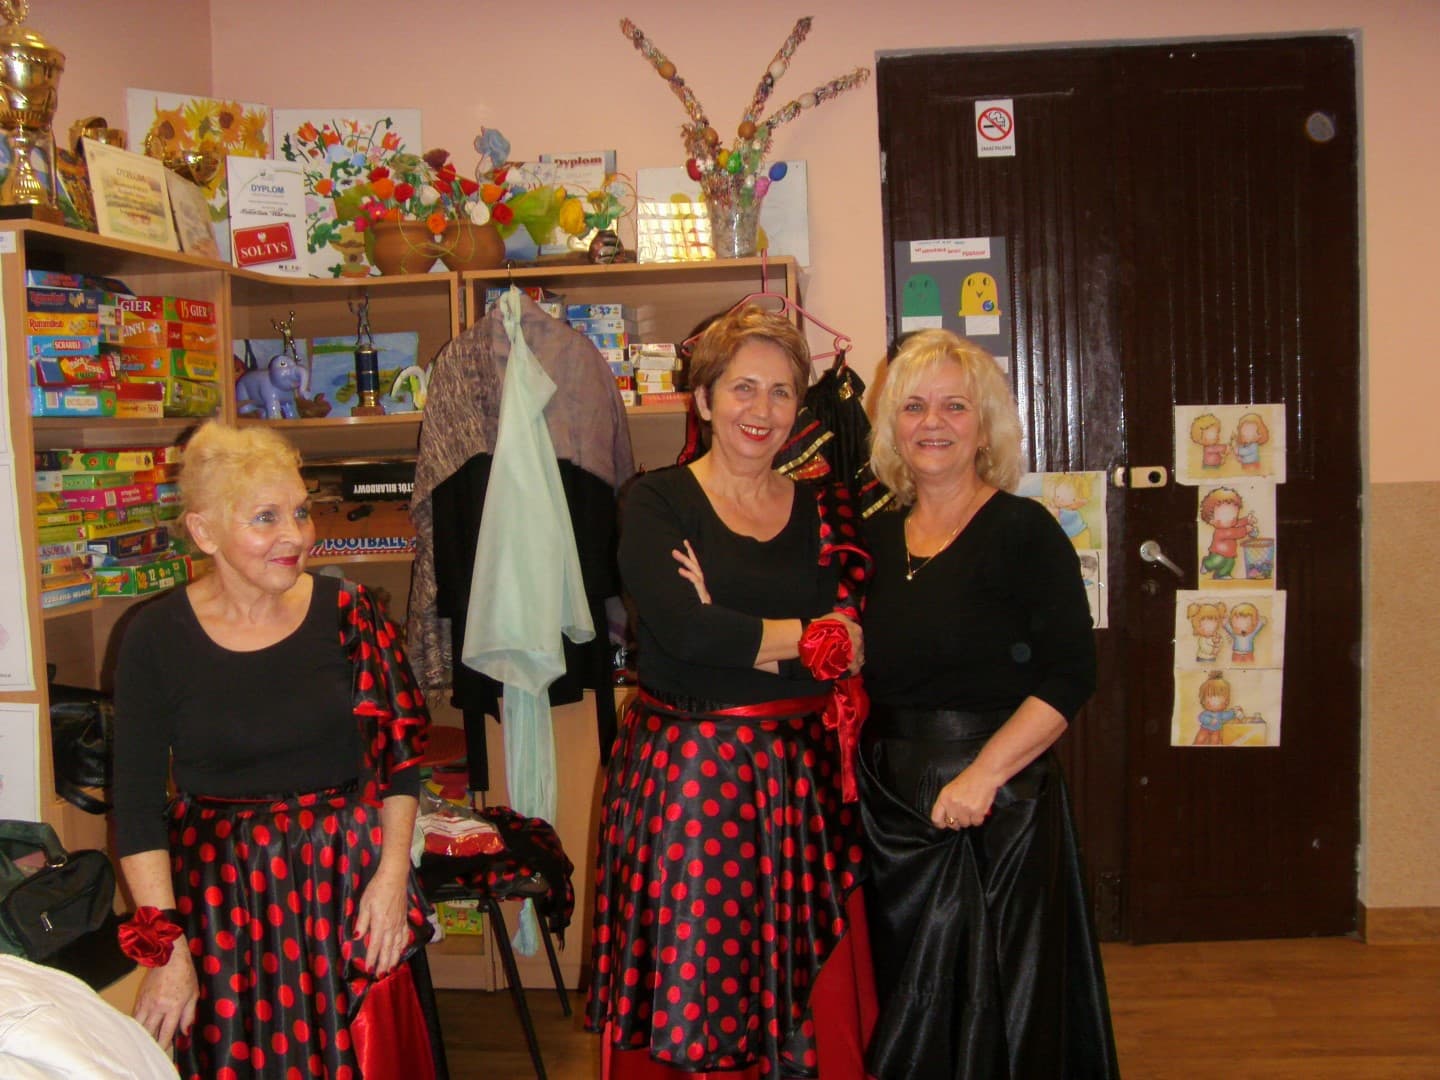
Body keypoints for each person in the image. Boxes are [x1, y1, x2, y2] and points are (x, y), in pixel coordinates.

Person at [588, 305, 876, 1079]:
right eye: (743, 387)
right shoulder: (655, 501)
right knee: (702, 990)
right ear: (704, 399)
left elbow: (849, 643)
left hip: (801, 784)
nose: (762, 409)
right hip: (692, 785)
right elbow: (687, 636)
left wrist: (742, 627)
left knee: (803, 995)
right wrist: (804, 636)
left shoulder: (823, 507)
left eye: (782, 392)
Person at [112, 421, 435, 1079]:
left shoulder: (351, 614)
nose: (296, 535)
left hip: (348, 888)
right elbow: (137, 809)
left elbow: (399, 761)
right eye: (266, 518)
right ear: (204, 532)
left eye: (300, 512)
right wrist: (167, 952)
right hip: (223, 906)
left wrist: (391, 878)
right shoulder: (153, 637)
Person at [858, 329, 1119, 1078]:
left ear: (985, 426)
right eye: (914, 406)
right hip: (892, 808)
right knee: (911, 998)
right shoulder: (872, 538)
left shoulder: (1023, 532)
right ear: (892, 426)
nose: (932, 423)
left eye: (954, 406)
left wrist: (983, 777)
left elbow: (1069, 676)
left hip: (996, 810)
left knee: (997, 1003)